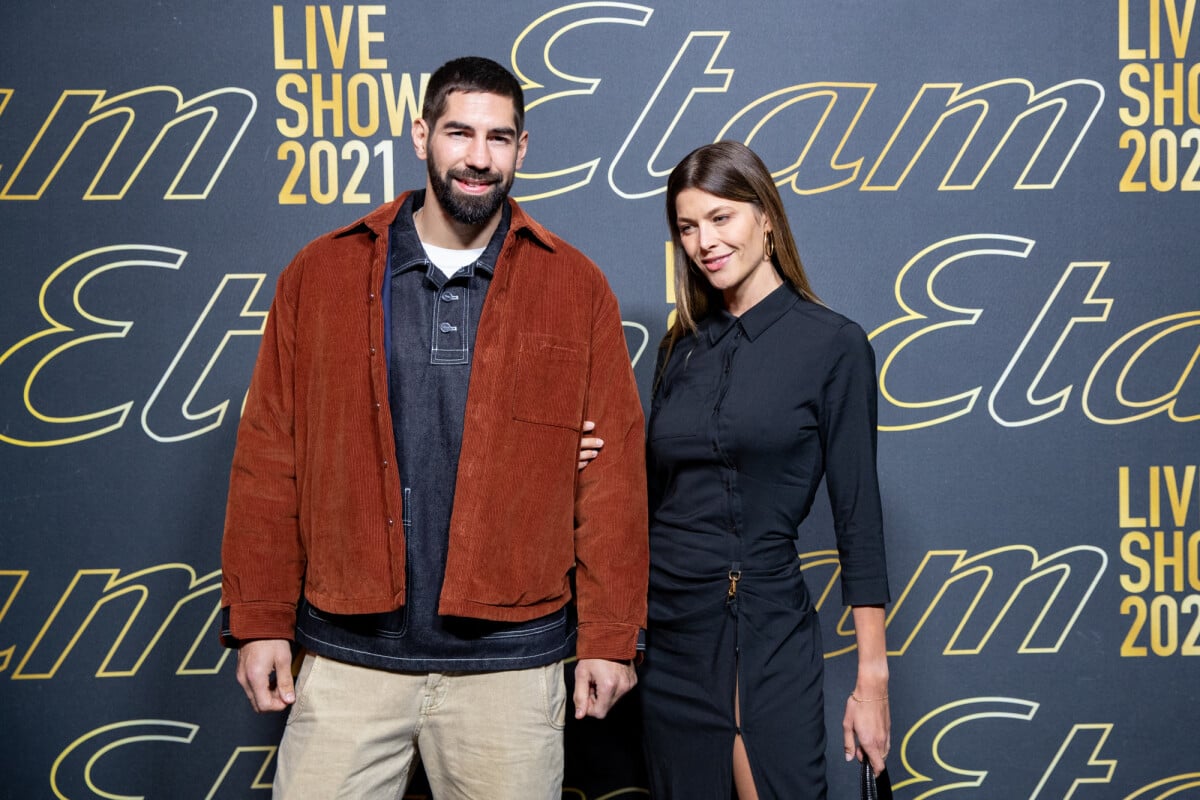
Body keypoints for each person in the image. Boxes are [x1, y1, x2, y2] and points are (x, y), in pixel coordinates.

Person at [219, 56, 648, 800]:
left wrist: (610, 636)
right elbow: (269, 456)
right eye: (459, 132)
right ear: (422, 135)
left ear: (523, 149)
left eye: (499, 137)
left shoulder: (574, 285)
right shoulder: (319, 274)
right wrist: (259, 619)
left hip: (510, 668)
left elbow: (609, 476)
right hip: (350, 654)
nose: (479, 157)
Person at [606, 140, 890, 798]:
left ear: (765, 216)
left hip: (760, 626)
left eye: (721, 217)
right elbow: (653, 500)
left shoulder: (834, 345)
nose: (704, 241)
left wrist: (871, 680)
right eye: (687, 226)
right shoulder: (682, 347)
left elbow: (859, 520)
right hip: (669, 634)